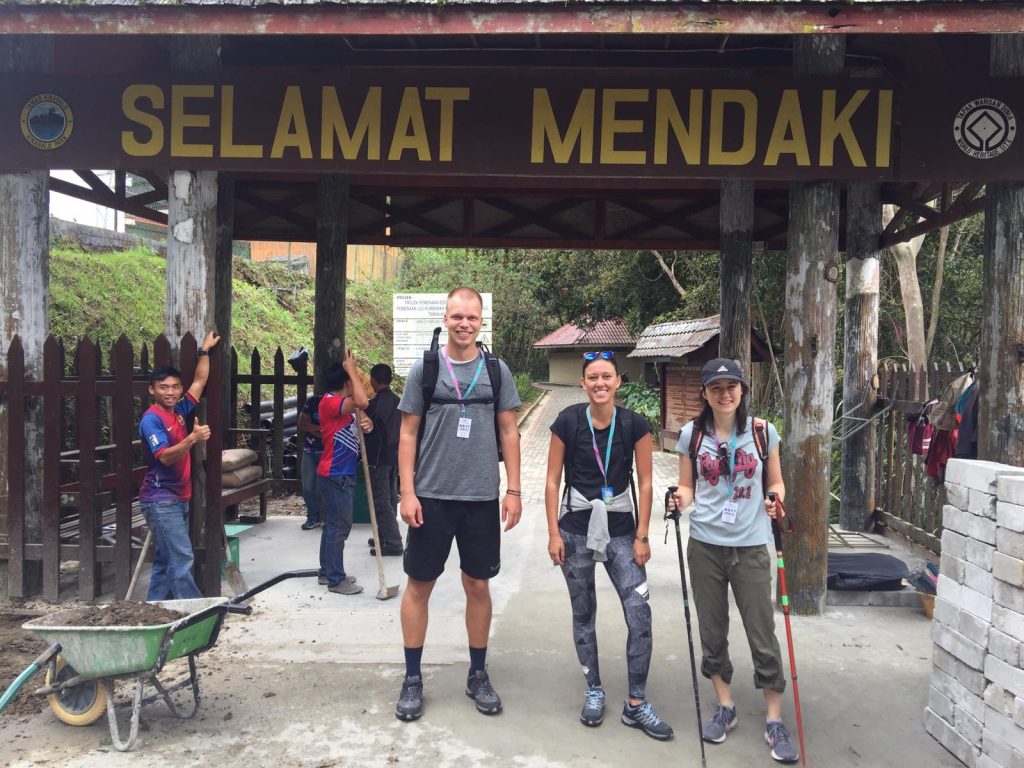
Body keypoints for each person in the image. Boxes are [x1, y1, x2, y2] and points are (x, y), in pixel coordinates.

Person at [394, 286, 522, 722]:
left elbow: (510, 433)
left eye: (472, 317)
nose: (464, 324)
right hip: (431, 498)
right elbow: (407, 434)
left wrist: (514, 491)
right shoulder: (425, 370)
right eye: (457, 316)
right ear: (445, 319)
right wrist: (407, 492)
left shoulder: (497, 371)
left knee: (478, 586)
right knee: (419, 585)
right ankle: (412, 678)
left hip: (481, 498)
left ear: (481, 321)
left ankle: (478, 673)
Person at [670, 358, 798, 764]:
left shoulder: (762, 432)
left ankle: (774, 718)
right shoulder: (692, 435)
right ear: (705, 393)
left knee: (762, 631)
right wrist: (678, 500)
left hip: (752, 545)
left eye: (732, 386)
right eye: (716, 387)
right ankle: (725, 705)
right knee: (712, 629)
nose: (725, 394)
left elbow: (775, 480)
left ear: (743, 389)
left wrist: (776, 499)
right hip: (705, 545)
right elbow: (688, 488)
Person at [544, 350, 674, 741]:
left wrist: (643, 535)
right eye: (592, 377)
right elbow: (552, 481)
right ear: (583, 383)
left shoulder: (635, 424)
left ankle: (636, 703)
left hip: (621, 532)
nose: (600, 383)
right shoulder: (567, 422)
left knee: (639, 614)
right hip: (574, 531)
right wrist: (552, 533)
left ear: (619, 381)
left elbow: (647, 482)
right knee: (583, 613)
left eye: (607, 377)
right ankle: (594, 690)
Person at [138, 332, 220, 601]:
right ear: (152, 390)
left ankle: (153, 611)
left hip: (177, 498)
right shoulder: (152, 420)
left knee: (166, 562)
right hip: (161, 500)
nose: (170, 392)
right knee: (182, 558)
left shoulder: (178, 411)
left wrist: (204, 351)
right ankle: (196, 611)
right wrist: (193, 439)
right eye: (163, 387)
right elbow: (164, 456)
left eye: (174, 387)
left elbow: (200, 381)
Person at [316, 351, 371, 596]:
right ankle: (336, 579)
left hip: (340, 473)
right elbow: (363, 402)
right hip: (336, 473)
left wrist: (367, 424)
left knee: (333, 525)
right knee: (339, 526)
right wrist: (351, 369)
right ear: (346, 382)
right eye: (352, 378)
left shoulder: (343, 406)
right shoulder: (330, 402)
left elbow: (362, 413)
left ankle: (327, 571)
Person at [363, 363, 404, 556]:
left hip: (379, 457)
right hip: (394, 455)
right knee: (390, 497)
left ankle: (393, 542)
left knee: (381, 500)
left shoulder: (374, 405)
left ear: (372, 380)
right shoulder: (398, 401)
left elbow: (366, 421)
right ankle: (385, 534)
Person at [297, 392, 324, 530]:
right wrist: (319, 429)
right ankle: (313, 517)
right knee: (307, 487)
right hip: (309, 450)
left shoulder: (342, 404)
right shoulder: (313, 401)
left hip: (327, 451)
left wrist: (313, 428)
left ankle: (325, 517)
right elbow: (302, 423)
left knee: (323, 488)